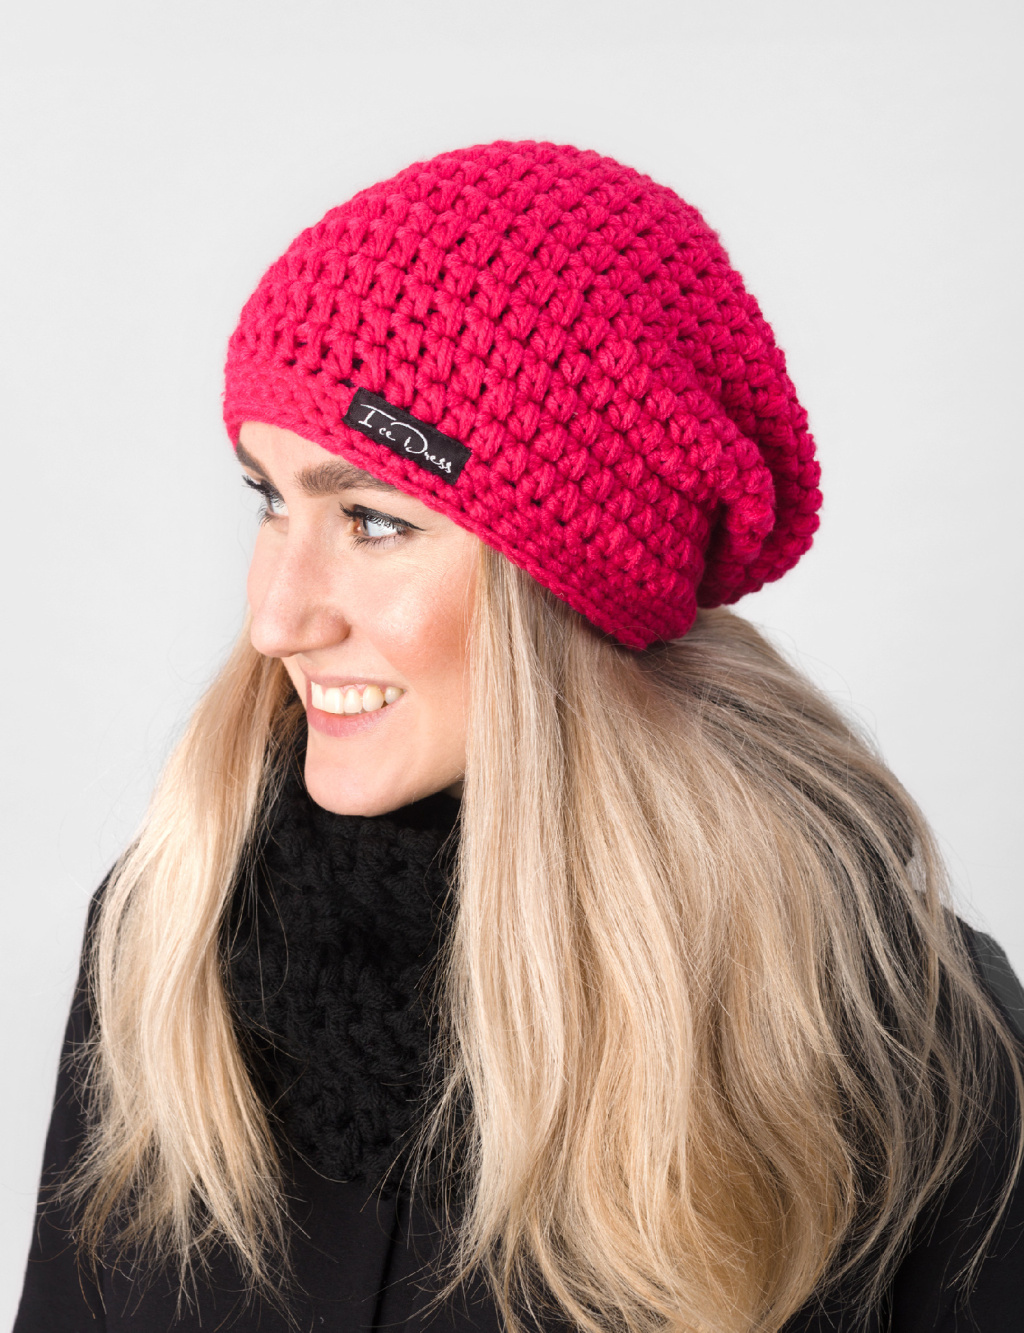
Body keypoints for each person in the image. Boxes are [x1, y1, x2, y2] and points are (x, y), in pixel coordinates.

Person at [14, 140, 1024, 1333]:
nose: (276, 618)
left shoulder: (896, 1037)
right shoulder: (170, 935)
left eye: (373, 521)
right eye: (270, 499)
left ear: (569, 584)